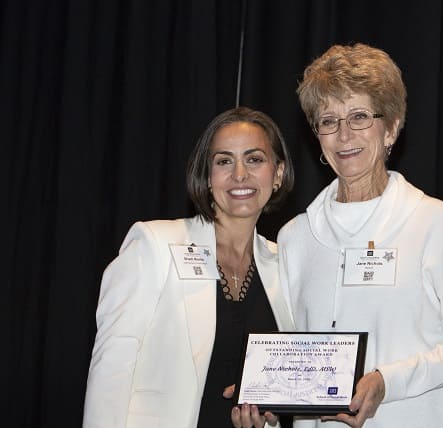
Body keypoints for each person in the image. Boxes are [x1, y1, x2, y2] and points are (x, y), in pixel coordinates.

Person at [277, 43, 443, 427]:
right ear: (318, 136)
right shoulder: (296, 237)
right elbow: (289, 357)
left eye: (359, 116)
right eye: (328, 120)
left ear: (391, 127)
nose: (344, 134)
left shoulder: (432, 222)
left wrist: (387, 381)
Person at [83, 106, 295, 427]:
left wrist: (266, 417)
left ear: (277, 173)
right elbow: (111, 368)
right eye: (224, 161)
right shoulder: (156, 243)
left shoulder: (284, 265)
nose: (240, 174)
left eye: (254, 159)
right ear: (207, 177)